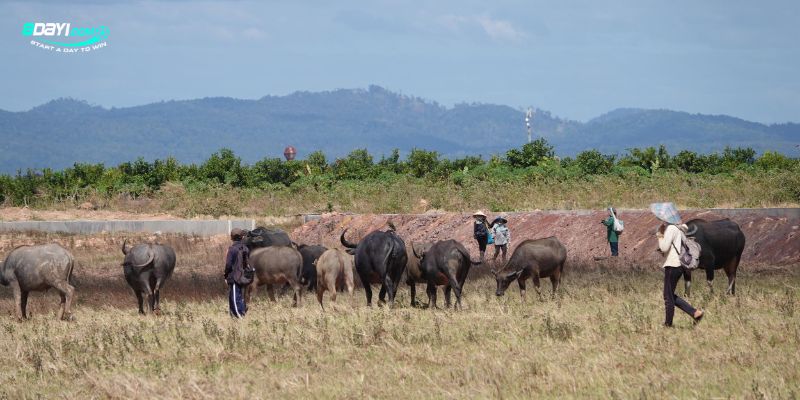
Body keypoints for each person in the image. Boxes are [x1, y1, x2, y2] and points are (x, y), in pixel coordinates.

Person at [658, 222, 704, 327]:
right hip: (679, 266)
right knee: (669, 295)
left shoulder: (671, 229)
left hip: (673, 265)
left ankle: (668, 324)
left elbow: (664, 248)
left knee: (668, 296)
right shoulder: (680, 230)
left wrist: (660, 235)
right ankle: (695, 313)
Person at [224, 228, 250, 318]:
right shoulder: (245, 248)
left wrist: (226, 275)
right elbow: (246, 263)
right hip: (243, 277)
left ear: (231, 237)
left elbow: (228, 265)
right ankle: (236, 315)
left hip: (234, 277)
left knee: (234, 298)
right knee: (238, 296)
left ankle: (240, 316)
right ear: (242, 237)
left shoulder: (232, 249)